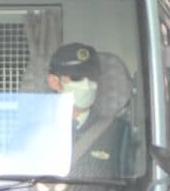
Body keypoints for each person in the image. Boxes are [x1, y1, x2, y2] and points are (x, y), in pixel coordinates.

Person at [46, 42, 125, 178]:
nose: (87, 85)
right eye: (76, 78)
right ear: (54, 82)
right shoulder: (36, 129)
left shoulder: (117, 131)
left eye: (92, 77)